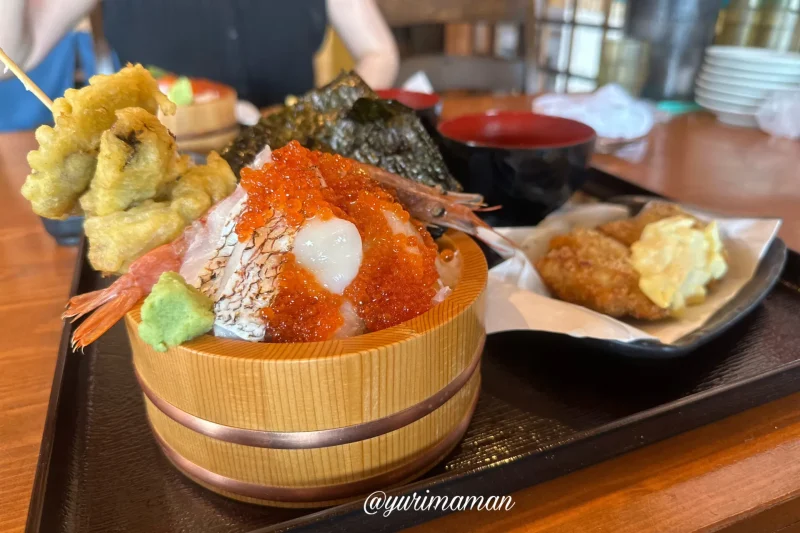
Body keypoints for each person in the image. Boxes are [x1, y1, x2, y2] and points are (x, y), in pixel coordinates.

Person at [0, 0, 399, 129]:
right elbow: (18, 54)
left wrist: (319, 118)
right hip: (164, 175)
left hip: (293, 157)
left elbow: (380, 54)